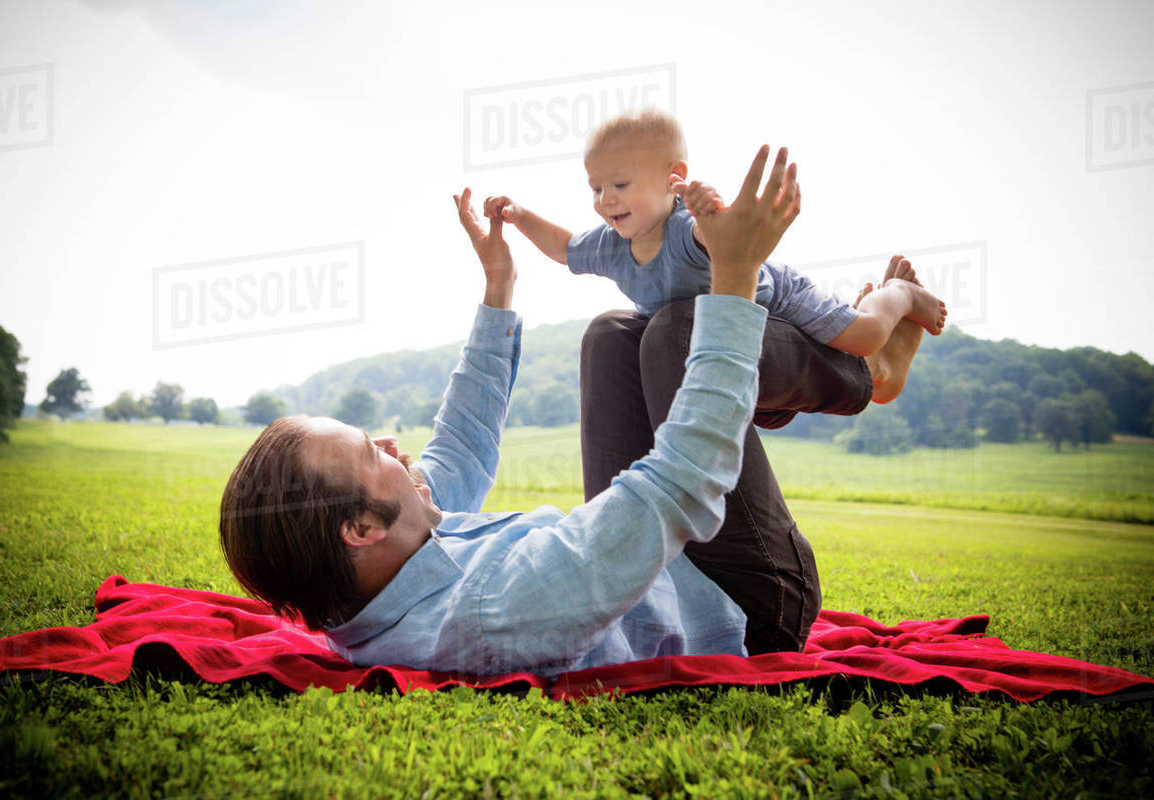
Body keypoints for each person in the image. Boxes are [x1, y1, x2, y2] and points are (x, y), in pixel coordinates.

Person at [218, 147, 887, 676]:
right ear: (359, 527)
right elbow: (683, 482)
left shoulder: (384, 567)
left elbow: (460, 448)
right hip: (746, 599)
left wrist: (499, 288)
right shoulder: (489, 611)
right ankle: (865, 369)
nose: (393, 443)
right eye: (370, 453)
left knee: (615, 336)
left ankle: (855, 363)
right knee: (681, 332)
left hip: (655, 566)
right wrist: (736, 272)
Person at [482, 108, 944, 404]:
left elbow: (716, 238)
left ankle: (897, 298)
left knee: (861, 338)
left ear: (673, 178)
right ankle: (874, 341)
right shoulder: (610, 245)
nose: (606, 200)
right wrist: (520, 217)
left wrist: (707, 211)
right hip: (712, 333)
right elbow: (564, 249)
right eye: (596, 188)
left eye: (620, 185)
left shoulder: (684, 226)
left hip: (774, 297)